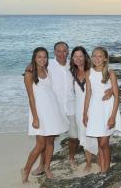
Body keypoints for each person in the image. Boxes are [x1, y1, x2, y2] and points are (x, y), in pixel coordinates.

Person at [21, 47, 69, 183]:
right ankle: (26, 170)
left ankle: (47, 168)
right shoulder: (29, 73)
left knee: (50, 141)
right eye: (39, 57)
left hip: (53, 109)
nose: (42, 59)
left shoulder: (48, 70)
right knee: (40, 145)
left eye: (44, 57)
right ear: (34, 58)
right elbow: (31, 97)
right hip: (40, 112)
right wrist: (35, 117)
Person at [31, 41, 78, 175]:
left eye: (64, 51)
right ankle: (43, 165)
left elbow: (88, 73)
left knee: (74, 136)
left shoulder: (73, 65)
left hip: (71, 105)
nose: (61, 53)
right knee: (48, 139)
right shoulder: (48, 64)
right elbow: (34, 67)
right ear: (54, 52)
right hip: (53, 107)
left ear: (68, 52)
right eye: (59, 51)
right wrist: (29, 68)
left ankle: (71, 158)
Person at [83, 47, 121, 173]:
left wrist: (112, 117)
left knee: (103, 143)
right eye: (94, 56)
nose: (96, 59)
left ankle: (106, 169)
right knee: (99, 141)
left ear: (105, 58)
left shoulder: (110, 73)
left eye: (100, 56)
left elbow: (117, 96)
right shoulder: (88, 73)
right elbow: (88, 94)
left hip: (107, 110)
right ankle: (102, 168)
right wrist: (85, 114)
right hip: (95, 110)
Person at [70, 46, 98, 172]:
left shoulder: (93, 71)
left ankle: (100, 157)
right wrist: (30, 67)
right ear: (72, 58)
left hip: (93, 107)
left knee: (95, 134)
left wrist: (109, 91)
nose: (78, 59)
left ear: (85, 57)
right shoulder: (71, 72)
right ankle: (88, 162)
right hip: (78, 109)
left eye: (80, 56)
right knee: (84, 135)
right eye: (75, 56)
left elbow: (105, 79)